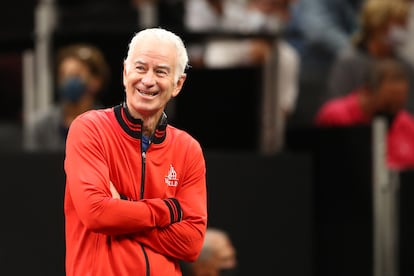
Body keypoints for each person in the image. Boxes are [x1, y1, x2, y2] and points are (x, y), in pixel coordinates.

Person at [64, 28, 208, 275]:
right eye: (140, 68)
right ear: (125, 72)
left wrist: (123, 207)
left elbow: (191, 243)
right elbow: (97, 213)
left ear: (178, 84)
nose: (148, 80)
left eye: (161, 71)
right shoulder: (89, 129)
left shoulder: (188, 149)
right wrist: (168, 210)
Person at [314, 58, 414, 171]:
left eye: (400, 103)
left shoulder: (406, 122)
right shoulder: (335, 116)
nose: (394, 110)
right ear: (367, 91)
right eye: (389, 102)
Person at [324, 0, 414, 112]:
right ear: (379, 24)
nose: (404, 29)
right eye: (399, 23)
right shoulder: (349, 62)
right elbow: (334, 109)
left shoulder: (405, 66)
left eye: (405, 24)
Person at [24, 43, 110, 151]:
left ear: (95, 81)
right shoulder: (40, 125)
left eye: (75, 75)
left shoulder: (109, 126)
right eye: (63, 75)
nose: (68, 81)